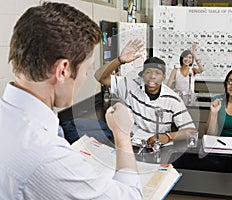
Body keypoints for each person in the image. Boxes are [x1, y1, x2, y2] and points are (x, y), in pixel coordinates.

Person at [0, 2, 142, 199]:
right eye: (86, 69)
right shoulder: (46, 157)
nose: (85, 78)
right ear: (63, 70)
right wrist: (122, 134)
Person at [95, 40, 196, 146]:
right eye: (148, 72)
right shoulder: (130, 86)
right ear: (142, 75)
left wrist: (168, 136)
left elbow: (191, 131)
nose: (152, 76)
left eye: (157, 73)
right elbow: (99, 76)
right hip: (131, 144)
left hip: (158, 147)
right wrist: (120, 60)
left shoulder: (173, 99)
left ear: (163, 77)